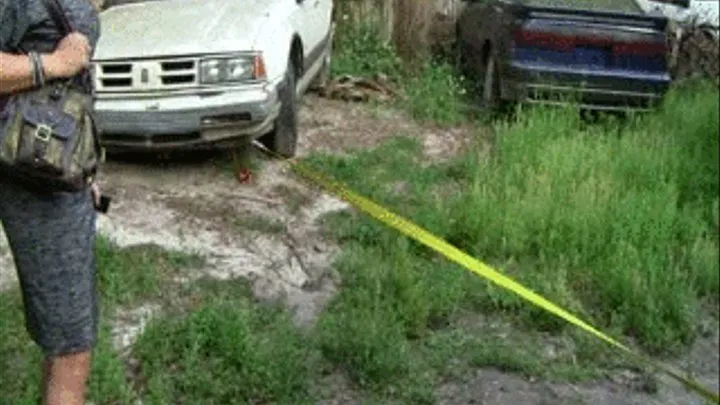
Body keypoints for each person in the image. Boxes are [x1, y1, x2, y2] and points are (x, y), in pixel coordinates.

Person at [0, 1, 102, 404]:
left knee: (67, 331)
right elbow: (64, 67)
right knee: (71, 341)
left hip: (52, 166)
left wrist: (82, 160)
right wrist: (53, 63)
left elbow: (74, 90)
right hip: (25, 170)